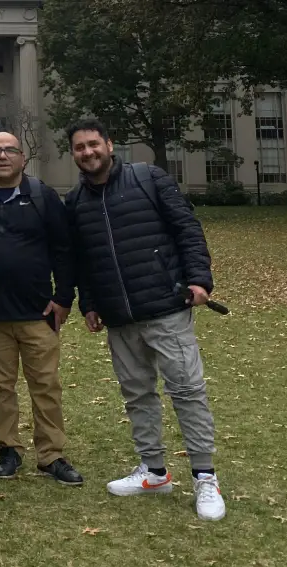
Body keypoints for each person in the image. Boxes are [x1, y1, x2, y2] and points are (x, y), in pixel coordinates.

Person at [64, 118, 225, 521]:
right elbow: (83, 260)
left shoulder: (148, 179)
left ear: (109, 144)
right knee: (137, 395)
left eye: (93, 144)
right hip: (119, 317)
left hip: (166, 308)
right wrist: (89, 303)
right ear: (73, 154)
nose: (88, 152)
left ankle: (205, 477)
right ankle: (154, 470)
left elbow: (187, 228)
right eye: (80, 147)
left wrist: (199, 279)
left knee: (187, 392)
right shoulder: (76, 201)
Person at [0, 132, 84, 486]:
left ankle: (51, 455)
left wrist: (63, 298)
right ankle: (8, 450)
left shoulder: (42, 196)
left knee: (46, 386)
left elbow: (64, 250)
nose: (3, 156)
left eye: (10, 150)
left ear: (22, 157)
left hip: (38, 313)